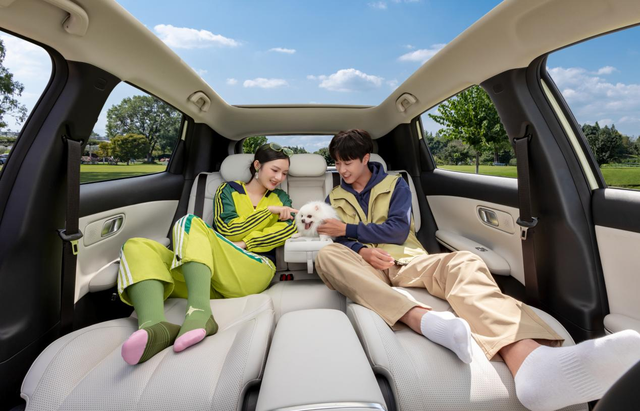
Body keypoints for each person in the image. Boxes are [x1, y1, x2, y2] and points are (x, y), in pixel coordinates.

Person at [315, 129, 640, 411]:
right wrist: (362, 249)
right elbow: (335, 238)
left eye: (347, 162)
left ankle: (533, 364)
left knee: (464, 260)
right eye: (337, 163)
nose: (341, 169)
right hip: (364, 266)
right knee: (327, 256)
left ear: (365, 158)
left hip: (407, 260)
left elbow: (398, 231)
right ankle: (420, 319)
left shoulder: (395, 185)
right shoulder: (335, 196)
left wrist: (348, 228)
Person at [118, 143, 298, 365]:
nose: (279, 177)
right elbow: (228, 230)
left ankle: (199, 313)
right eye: (275, 170)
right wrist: (267, 213)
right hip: (206, 277)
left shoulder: (281, 198)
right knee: (136, 246)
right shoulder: (228, 190)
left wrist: (245, 243)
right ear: (257, 165)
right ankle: (154, 326)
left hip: (253, 269)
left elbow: (288, 228)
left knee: (188, 222)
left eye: (284, 173)